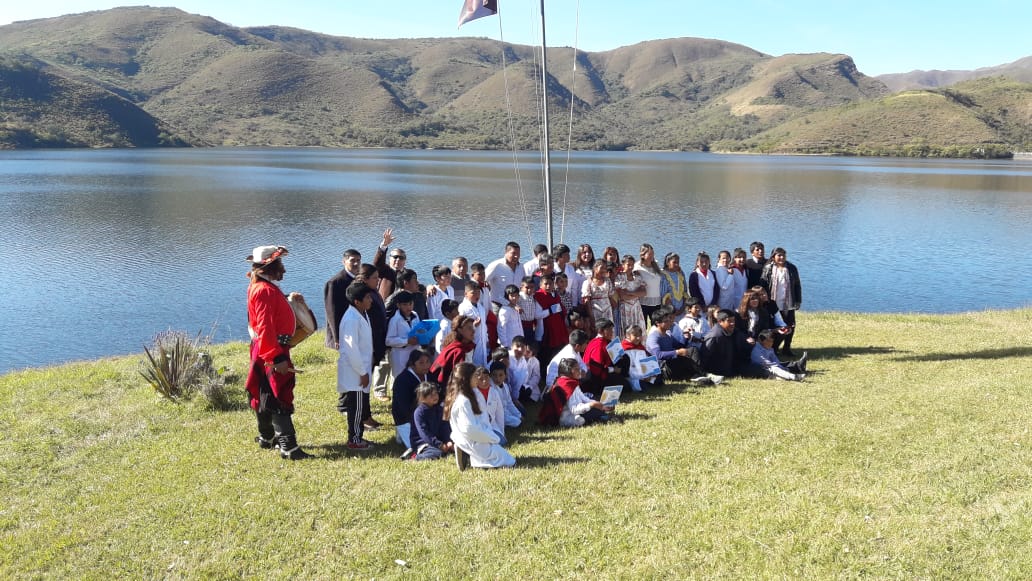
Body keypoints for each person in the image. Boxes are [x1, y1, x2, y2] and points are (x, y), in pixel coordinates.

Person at [244, 245, 311, 460]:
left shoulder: (261, 286)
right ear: (270, 267)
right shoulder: (263, 290)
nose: (284, 269)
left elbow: (269, 314)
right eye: (280, 265)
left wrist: (290, 299)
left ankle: (267, 437)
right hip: (271, 349)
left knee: (264, 391)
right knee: (279, 393)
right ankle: (288, 447)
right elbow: (264, 327)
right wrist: (277, 357)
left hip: (264, 348)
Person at [445, 363, 516, 470]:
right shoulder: (463, 400)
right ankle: (466, 451)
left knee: (505, 455)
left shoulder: (474, 393)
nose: (478, 380)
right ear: (467, 379)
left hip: (481, 435)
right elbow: (469, 428)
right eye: (475, 377)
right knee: (509, 461)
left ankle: (470, 455)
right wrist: (491, 437)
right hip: (474, 438)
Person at [337, 282, 376, 450]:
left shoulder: (361, 314)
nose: (371, 300)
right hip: (355, 372)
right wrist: (362, 372)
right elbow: (351, 349)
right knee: (357, 407)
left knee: (358, 406)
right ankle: (354, 439)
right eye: (367, 298)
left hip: (361, 368)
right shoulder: (351, 319)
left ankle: (357, 436)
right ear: (357, 301)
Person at [646, 305, 715, 384]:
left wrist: (686, 337)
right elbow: (658, 355)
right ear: (657, 323)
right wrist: (677, 352)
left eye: (669, 320)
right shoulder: (654, 337)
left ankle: (699, 374)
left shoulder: (667, 334)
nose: (669, 322)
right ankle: (699, 374)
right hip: (663, 368)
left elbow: (679, 346)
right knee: (678, 360)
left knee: (693, 350)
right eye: (666, 321)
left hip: (671, 363)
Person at [538, 358, 614, 427]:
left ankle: (602, 412)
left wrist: (600, 404)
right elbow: (574, 409)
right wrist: (592, 405)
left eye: (579, 368)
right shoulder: (567, 385)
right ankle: (602, 415)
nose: (579, 371)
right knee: (592, 412)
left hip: (573, 411)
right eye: (576, 369)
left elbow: (583, 398)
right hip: (567, 417)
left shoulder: (570, 382)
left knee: (594, 404)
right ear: (569, 372)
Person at [761, 247, 803, 356]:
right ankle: (773, 348)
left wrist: (798, 300)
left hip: (788, 302)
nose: (781, 257)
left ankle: (787, 348)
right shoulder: (768, 268)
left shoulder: (792, 268)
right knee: (776, 327)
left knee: (790, 325)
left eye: (783, 255)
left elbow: (797, 285)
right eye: (779, 255)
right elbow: (763, 285)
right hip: (773, 302)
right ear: (773, 256)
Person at [392, 348, 433, 447]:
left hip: (429, 416)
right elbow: (404, 407)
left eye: (428, 362)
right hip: (407, 419)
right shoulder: (403, 380)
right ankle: (401, 433)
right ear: (412, 364)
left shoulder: (430, 375)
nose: (426, 365)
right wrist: (419, 419)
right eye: (421, 363)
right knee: (420, 446)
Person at [323, 248, 361, 350]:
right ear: (344, 262)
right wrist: (336, 337)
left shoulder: (359, 279)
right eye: (352, 260)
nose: (356, 263)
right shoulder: (334, 282)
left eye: (358, 260)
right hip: (343, 330)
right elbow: (332, 311)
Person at [701, 309, 754, 379]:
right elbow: (704, 357)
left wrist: (748, 340)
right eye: (729, 321)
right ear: (720, 322)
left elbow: (742, 337)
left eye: (733, 320)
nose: (732, 323)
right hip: (718, 371)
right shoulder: (714, 336)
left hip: (733, 368)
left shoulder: (734, 331)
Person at [409, 381, 454, 461]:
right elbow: (424, 433)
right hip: (423, 443)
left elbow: (444, 427)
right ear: (422, 398)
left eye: (436, 393)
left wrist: (448, 441)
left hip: (438, 441)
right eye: (431, 395)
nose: (435, 396)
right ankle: (416, 458)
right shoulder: (419, 412)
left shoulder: (439, 409)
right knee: (438, 453)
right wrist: (439, 445)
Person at [582, 318, 629, 395]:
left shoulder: (603, 341)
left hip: (604, 370)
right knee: (626, 387)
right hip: (596, 378)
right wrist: (614, 370)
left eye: (612, 330)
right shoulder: (598, 346)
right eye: (609, 330)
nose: (612, 332)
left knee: (625, 357)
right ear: (600, 331)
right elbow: (597, 369)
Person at [533, 273, 569, 368]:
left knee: (558, 351)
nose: (548, 286)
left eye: (550, 283)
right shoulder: (538, 296)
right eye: (546, 284)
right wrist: (550, 311)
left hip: (557, 328)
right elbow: (537, 315)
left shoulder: (554, 294)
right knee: (546, 355)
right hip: (546, 330)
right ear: (541, 285)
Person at [385, 290, 420, 384]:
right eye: (405, 304)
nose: (408, 307)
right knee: (400, 382)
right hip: (400, 356)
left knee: (414, 380)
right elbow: (389, 340)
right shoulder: (395, 320)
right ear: (398, 305)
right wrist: (406, 341)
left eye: (410, 303)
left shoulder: (415, 315)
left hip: (414, 353)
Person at [430, 314, 476, 386]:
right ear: (460, 330)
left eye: (472, 327)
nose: (473, 331)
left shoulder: (465, 347)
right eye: (469, 328)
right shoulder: (458, 351)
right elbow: (460, 378)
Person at [458, 281, 489, 367]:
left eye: (478, 292)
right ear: (466, 294)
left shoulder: (480, 307)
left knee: (483, 365)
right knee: (473, 366)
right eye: (473, 293)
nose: (477, 295)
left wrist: (486, 339)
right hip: (471, 342)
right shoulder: (463, 308)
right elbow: (461, 327)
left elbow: (484, 326)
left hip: (482, 342)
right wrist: (474, 326)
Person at [615, 254, 647, 336]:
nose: (630, 267)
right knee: (627, 328)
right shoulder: (619, 277)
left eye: (632, 265)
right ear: (623, 265)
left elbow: (644, 292)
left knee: (638, 327)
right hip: (625, 307)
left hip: (636, 307)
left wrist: (630, 293)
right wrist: (637, 294)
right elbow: (623, 296)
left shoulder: (637, 277)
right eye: (628, 265)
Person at [485, 241, 522, 308]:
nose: (516, 256)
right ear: (506, 252)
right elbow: (482, 280)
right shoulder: (496, 265)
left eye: (518, 254)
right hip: (498, 306)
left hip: (515, 306)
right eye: (513, 253)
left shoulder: (521, 267)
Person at [581, 260, 616, 334]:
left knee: (609, 332)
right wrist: (591, 317)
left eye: (605, 268)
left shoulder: (608, 281)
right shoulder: (587, 283)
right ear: (595, 268)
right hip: (595, 312)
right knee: (598, 333)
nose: (604, 270)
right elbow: (587, 302)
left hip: (607, 311)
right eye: (602, 267)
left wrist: (613, 311)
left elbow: (610, 297)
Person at [634, 243, 664, 324]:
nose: (652, 256)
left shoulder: (656, 264)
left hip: (657, 301)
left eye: (653, 253)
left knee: (657, 325)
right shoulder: (637, 267)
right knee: (643, 325)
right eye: (649, 254)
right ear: (642, 255)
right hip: (643, 303)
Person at [660, 252, 690, 316]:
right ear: (668, 263)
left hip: (682, 310)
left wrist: (682, 309)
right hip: (669, 310)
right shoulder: (663, 275)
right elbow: (664, 295)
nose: (677, 264)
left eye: (678, 262)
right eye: (674, 262)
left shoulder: (680, 273)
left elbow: (684, 292)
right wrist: (673, 310)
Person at [496, 284, 523, 350]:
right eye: (512, 296)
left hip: (517, 343)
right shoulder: (505, 310)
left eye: (516, 295)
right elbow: (501, 328)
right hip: (509, 344)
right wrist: (505, 344)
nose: (514, 298)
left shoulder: (516, 307)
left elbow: (519, 326)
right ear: (507, 296)